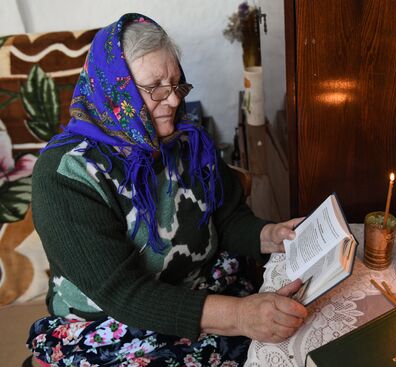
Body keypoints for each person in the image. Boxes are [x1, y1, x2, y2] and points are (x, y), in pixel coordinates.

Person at [27, 13, 307, 367]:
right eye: (155, 87)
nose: (173, 101)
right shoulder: (64, 176)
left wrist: (270, 235)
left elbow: (226, 217)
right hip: (116, 321)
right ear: (116, 91)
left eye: (177, 84)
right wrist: (240, 316)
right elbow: (124, 294)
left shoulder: (186, 140)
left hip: (199, 288)